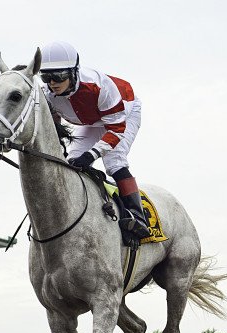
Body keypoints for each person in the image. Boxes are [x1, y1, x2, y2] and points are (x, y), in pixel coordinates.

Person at [39, 41, 150, 239]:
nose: (52, 83)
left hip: (124, 114)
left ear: (74, 72)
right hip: (91, 120)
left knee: (114, 162)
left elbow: (116, 129)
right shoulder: (48, 94)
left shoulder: (99, 87)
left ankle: (138, 217)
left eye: (58, 76)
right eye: (46, 77)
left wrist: (91, 155)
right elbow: (53, 120)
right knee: (72, 161)